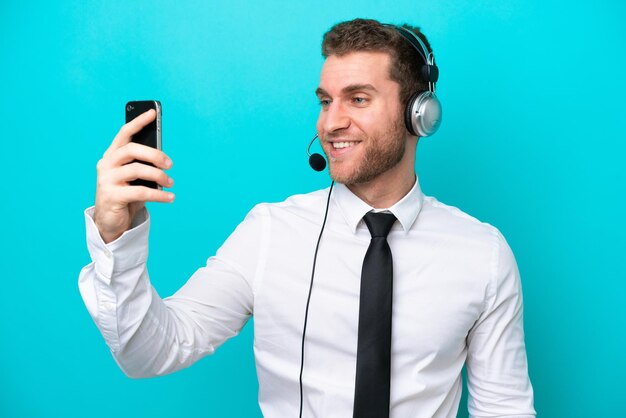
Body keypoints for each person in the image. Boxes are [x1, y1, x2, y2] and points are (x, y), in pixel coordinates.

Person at [78, 18, 536, 417]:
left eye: (357, 99)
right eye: (325, 101)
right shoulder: (269, 231)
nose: (331, 122)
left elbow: (505, 409)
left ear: (418, 114)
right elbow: (148, 352)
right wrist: (116, 236)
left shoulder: (483, 254)